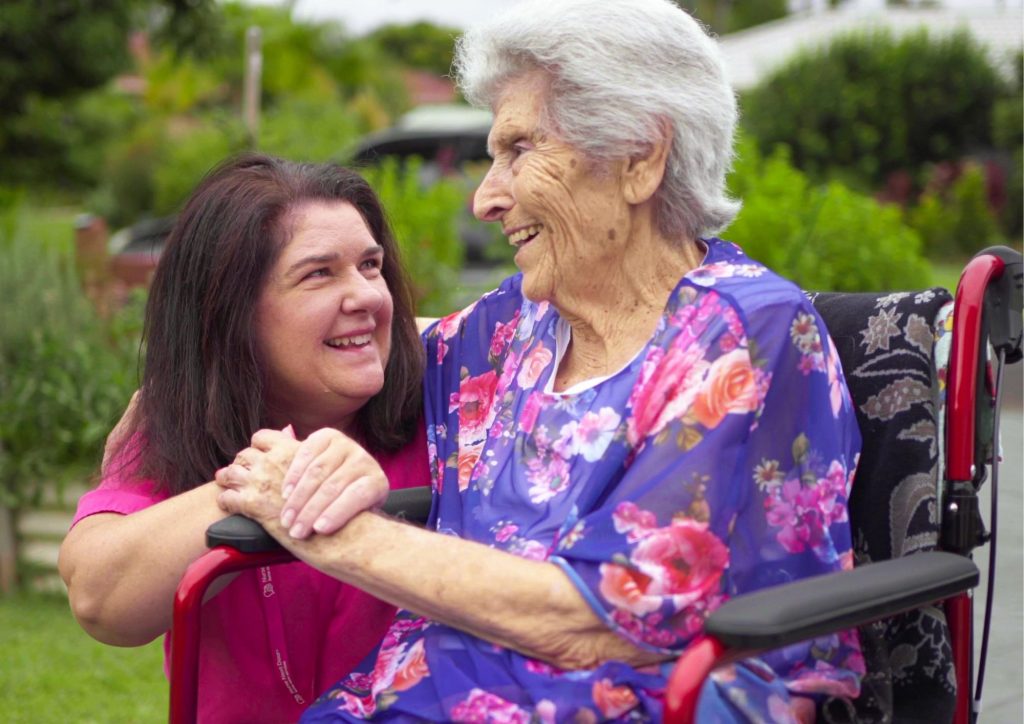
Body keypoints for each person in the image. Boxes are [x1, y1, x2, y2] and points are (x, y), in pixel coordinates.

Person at [215, 0, 865, 720]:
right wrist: (172, 384)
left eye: (519, 150)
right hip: (439, 693)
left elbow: (606, 627)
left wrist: (338, 534)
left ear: (640, 157)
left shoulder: (742, 333)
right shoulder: (514, 329)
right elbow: (355, 340)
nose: (485, 199)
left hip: (658, 696)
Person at [57, 154, 430, 723]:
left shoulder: (452, 399)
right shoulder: (177, 427)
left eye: (370, 265)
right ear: (233, 314)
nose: (368, 298)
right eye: (319, 273)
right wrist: (261, 483)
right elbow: (101, 602)